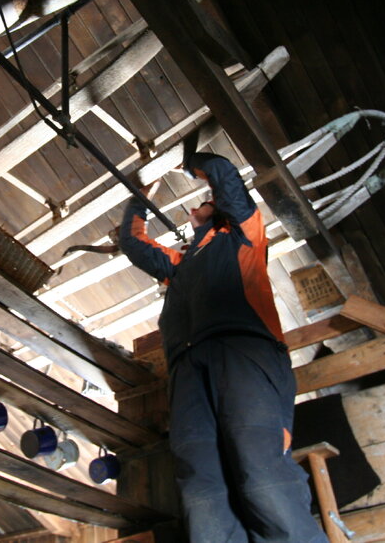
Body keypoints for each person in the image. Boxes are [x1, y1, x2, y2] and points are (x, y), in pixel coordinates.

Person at [119, 152, 327, 543]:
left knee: (261, 473)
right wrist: (142, 195)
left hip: (243, 353)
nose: (200, 204)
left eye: (208, 202)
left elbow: (224, 174)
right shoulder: (178, 266)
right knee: (201, 488)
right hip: (186, 371)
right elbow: (131, 242)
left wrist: (183, 161)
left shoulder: (245, 235)